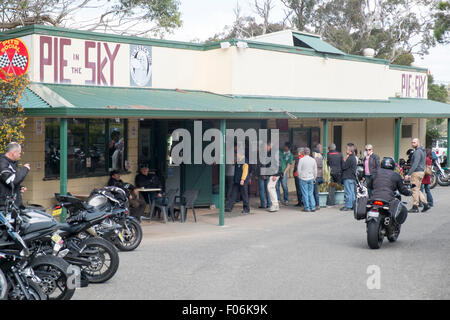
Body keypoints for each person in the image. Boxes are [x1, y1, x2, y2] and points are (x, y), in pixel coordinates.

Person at [0, 142, 30, 209]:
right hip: (4, 207)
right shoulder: (2, 163)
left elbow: (7, 184)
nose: (20, 155)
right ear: (13, 153)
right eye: (19, 153)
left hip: (12, 205)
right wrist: (24, 169)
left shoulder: (11, 163)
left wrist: (18, 188)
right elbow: (11, 181)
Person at [405, 138, 429, 213]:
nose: (412, 144)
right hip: (421, 172)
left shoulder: (417, 152)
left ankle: (415, 207)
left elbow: (415, 164)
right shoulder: (423, 151)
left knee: (414, 189)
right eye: (412, 142)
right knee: (417, 189)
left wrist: (408, 174)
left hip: (416, 172)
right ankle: (426, 204)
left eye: (414, 142)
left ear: (418, 143)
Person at [225, 149, 250, 214]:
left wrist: (242, 179)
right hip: (236, 180)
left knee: (244, 195)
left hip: (242, 181)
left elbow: (245, 171)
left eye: (237, 154)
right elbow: (234, 164)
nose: (236, 155)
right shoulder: (238, 160)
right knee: (233, 194)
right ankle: (229, 207)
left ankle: (246, 209)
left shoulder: (245, 161)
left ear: (240, 154)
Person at [297, 147, 318, 212]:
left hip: (303, 178)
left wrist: (300, 177)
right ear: (309, 152)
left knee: (305, 193)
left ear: (303, 152)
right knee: (310, 193)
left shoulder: (301, 160)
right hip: (311, 178)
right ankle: (313, 207)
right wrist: (314, 178)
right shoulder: (313, 160)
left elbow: (299, 170)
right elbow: (315, 170)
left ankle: (307, 208)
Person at [340, 143, 358, 211]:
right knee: (352, 193)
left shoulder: (350, 158)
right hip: (352, 177)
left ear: (350, 151)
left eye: (347, 149)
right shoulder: (354, 158)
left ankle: (348, 206)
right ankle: (353, 205)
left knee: (348, 193)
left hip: (348, 177)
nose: (346, 150)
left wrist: (343, 161)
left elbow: (344, 167)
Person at [257, 142, 272, 209]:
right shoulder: (268, 154)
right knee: (267, 190)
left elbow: (261, 165)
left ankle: (263, 204)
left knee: (262, 190)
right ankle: (268, 204)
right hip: (266, 174)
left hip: (263, 174)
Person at [313, 146, 324, 211]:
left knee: (315, 192)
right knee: (316, 192)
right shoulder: (321, 158)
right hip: (321, 176)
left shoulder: (314, 159)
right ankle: (316, 204)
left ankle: (317, 205)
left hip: (316, 177)